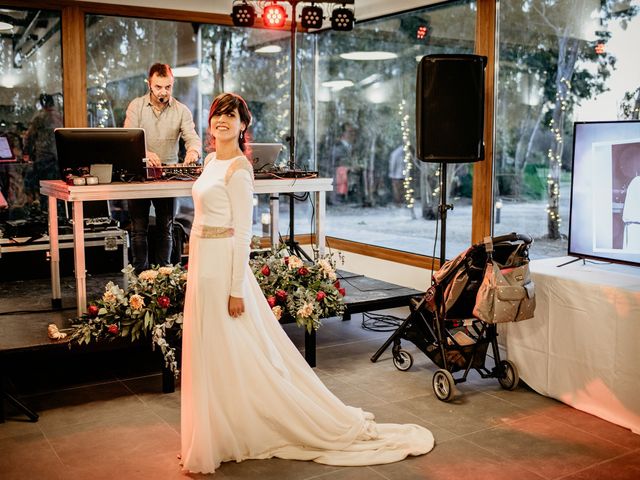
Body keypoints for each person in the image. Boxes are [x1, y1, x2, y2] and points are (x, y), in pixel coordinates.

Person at [180, 92, 434, 475]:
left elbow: (244, 234)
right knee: (211, 349)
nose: (222, 121)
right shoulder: (211, 160)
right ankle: (218, 426)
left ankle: (238, 426)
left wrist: (236, 289)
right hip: (201, 262)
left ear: (243, 125)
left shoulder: (239, 170)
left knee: (232, 346)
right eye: (218, 114)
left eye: (231, 116)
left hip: (223, 267)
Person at [124, 63, 202, 272]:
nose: (163, 92)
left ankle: (164, 273)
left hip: (167, 177)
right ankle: (141, 275)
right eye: (158, 87)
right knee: (138, 229)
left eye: (168, 87)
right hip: (139, 174)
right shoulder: (136, 106)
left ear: (172, 84)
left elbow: (192, 138)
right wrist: (145, 153)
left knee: (166, 227)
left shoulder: (181, 110)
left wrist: (193, 152)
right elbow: (127, 140)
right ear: (149, 84)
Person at [23, 94, 63, 208]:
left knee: (46, 191)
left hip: (43, 159)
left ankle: (48, 215)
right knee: (58, 190)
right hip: (58, 158)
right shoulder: (60, 116)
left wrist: (27, 153)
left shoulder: (39, 117)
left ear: (42, 103)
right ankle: (59, 214)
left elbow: (29, 137)